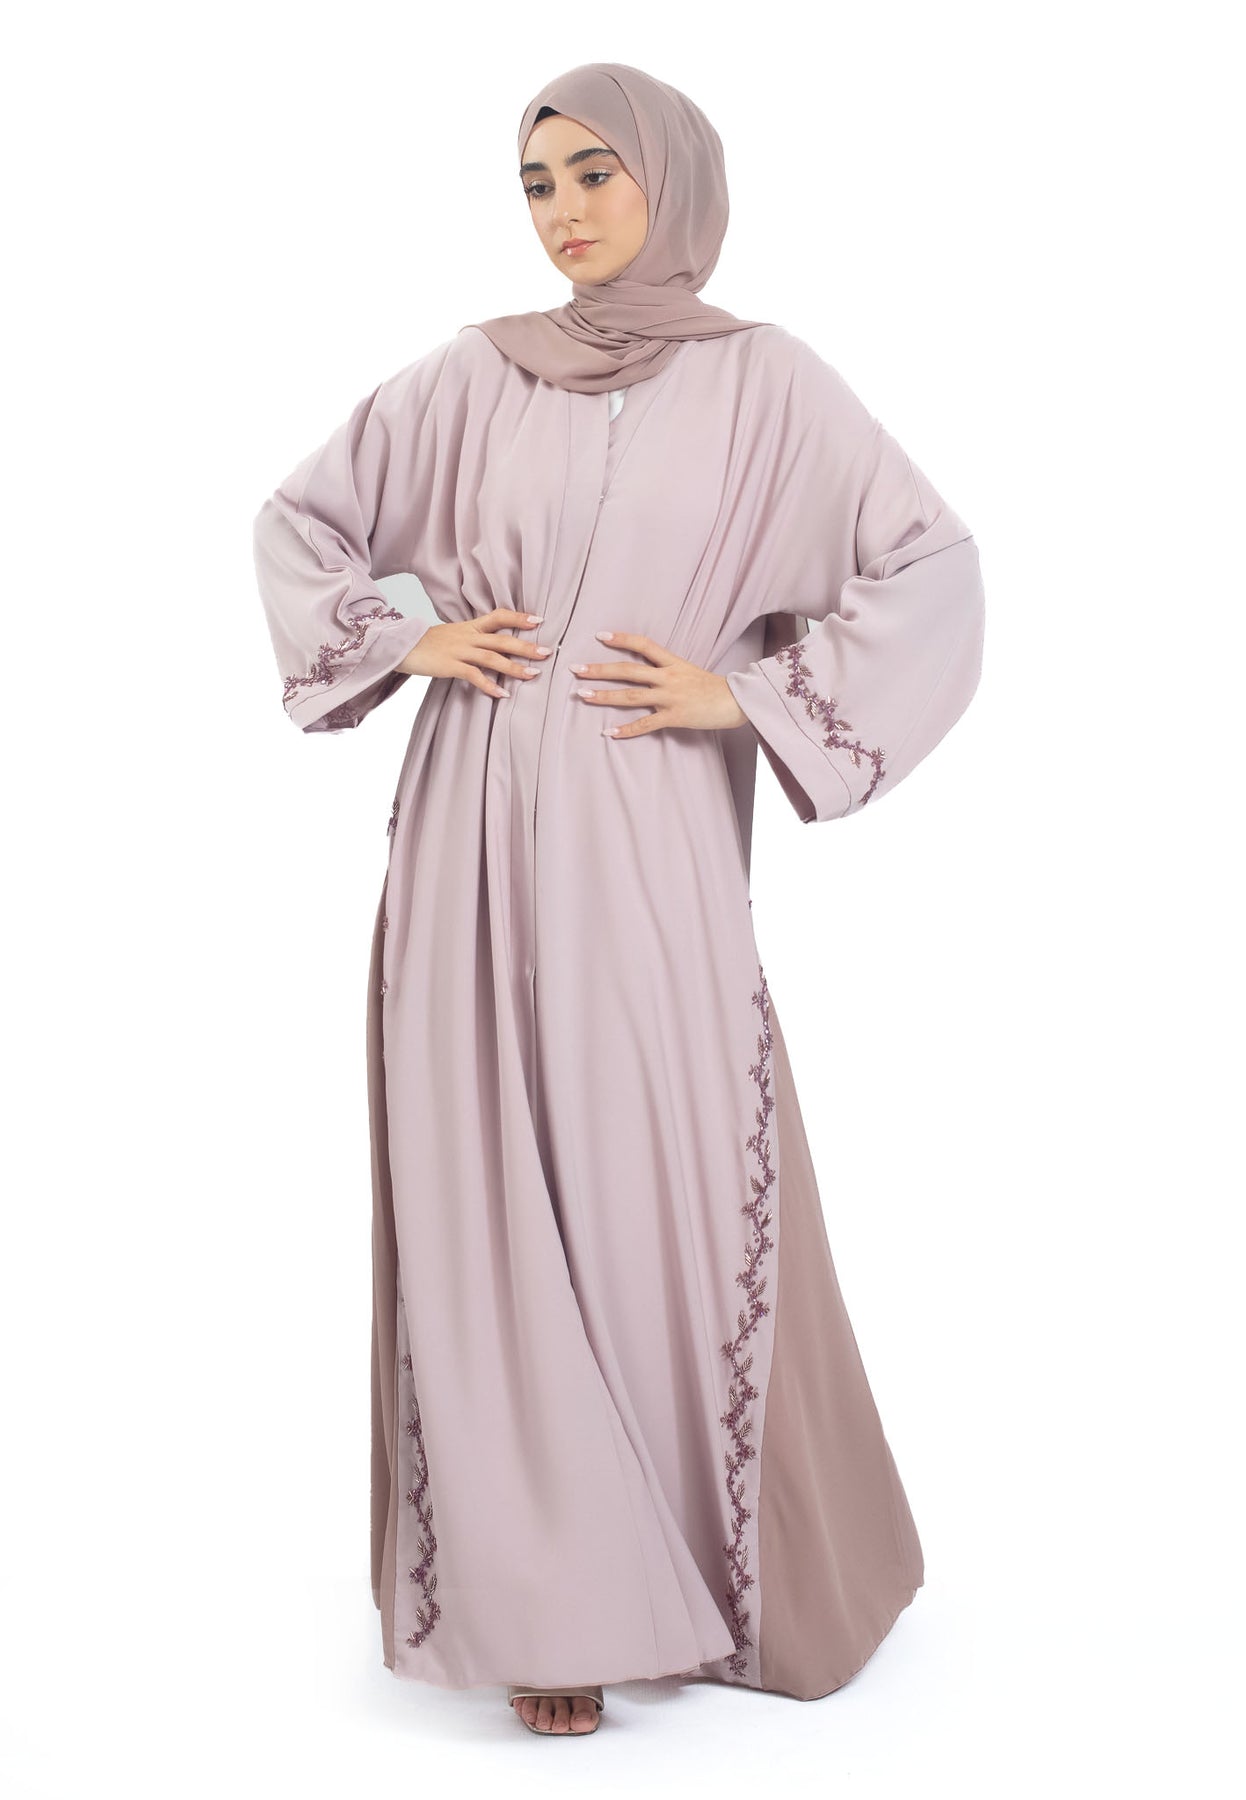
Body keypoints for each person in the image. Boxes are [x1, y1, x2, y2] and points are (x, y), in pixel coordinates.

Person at [252, 61, 985, 1740]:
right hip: (466, 834)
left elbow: (931, 567)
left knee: (668, 1169)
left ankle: (707, 1566)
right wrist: (410, 636)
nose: (565, 210)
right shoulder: (471, 376)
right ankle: (548, 1602)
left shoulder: (770, 386)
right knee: (484, 1186)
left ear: (673, 179)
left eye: (596, 172)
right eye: (536, 182)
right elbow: (298, 523)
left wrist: (750, 696)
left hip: (652, 839)